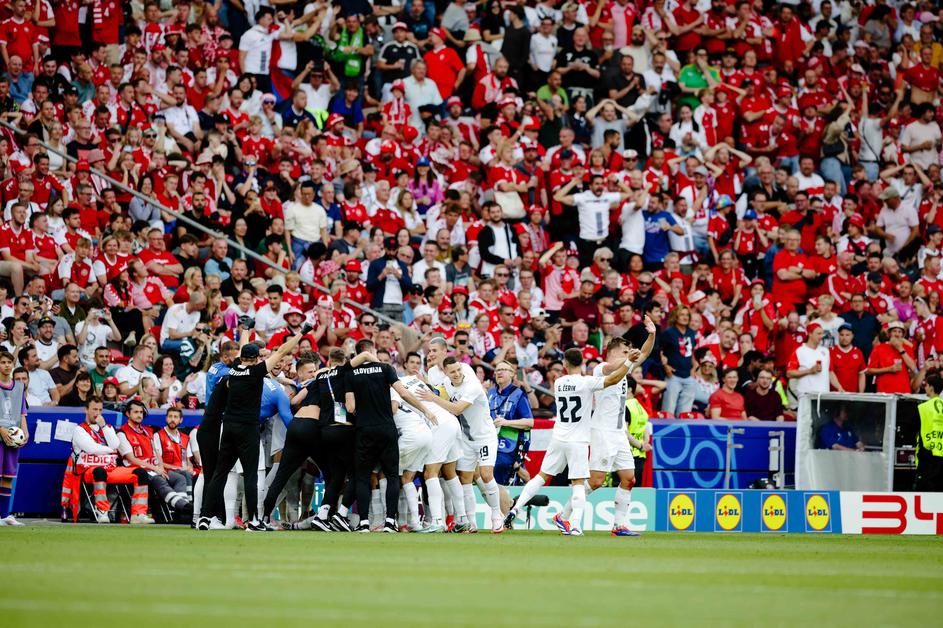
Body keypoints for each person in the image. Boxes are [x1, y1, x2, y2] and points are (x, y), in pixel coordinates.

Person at [502, 346, 634, 536]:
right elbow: (613, 379)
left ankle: (515, 508)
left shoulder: (559, 382)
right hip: (578, 440)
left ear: (564, 363)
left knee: (541, 476)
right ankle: (575, 525)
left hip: (558, 437)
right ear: (582, 363)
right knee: (578, 483)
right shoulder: (587, 382)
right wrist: (628, 362)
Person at [201, 325, 309, 533]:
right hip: (248, 428)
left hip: (228, 427)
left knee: (220, 473)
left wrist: (245, 330)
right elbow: (282, 351)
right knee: (251, 475)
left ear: (242, 357)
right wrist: (301, 333)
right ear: (256, 359)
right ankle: (253, 521)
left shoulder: (234, 369)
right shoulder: (256, 371)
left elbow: (244, 349)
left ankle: (205, 517)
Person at [558, 318, 655, 537]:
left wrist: (652, 334)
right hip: (602, 431)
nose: (629, 354)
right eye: (624, 351)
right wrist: (628, 359)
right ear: (612, 352)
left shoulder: (625, 368)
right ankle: (563, 515)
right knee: (596, 481)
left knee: (629, 478)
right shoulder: (601, 368)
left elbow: (645, 354)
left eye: (629, 351)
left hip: (619, 432)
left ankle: (619, 525)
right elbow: (615, 366)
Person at [345, 338, 435, 533]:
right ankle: (389, 522)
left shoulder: (350, 374)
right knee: (393, 475)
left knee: (363, 477)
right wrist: (426, 411)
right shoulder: (386, 369)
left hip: (364, 429)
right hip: (386, 428)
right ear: (372, 351)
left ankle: (364, 523)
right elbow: (404, 394)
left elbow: (350, 407)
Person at [418, 355, 502, 533]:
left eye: (458, 370)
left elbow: (457, 409)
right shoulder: (446, 384)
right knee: (465, 478)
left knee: (486, 475)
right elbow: (437, 392)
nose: (457, 374)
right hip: (466, 439)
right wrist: (424, 385)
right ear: (446, 373)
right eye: (452, 372)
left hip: (485, 437)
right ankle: (471, 522)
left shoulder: (472, 385)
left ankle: (496, 515)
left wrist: (432, 398)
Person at [67, 397, 153, 524]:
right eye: (94, 409)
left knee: (140, 473)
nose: (97, 413)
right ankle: (102, 510)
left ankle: (138, 513)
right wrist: (109, 450)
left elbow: (115, 444)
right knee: (99, 471)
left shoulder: (107, 427)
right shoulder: (79, 429)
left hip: (111, 468)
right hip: (88, 469)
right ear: (86, 410)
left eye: (100, 410)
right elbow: (91, 449)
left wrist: (103, 426)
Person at [117, 399, 192, 517]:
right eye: (136, 412)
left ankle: (183, 510)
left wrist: (160, 467)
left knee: (179, 478)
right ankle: (183, 507)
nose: (139, 415)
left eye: (141, 412)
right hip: (136, 469)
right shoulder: (122, 432)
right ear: (128, 414)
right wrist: (155, 469)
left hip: (154, 468)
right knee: (159, 480)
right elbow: (131, 459)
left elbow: (156, 453)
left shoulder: (147, 431)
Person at [487, 360, 535, 487]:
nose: (499, 372)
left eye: (503, 370)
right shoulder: (490, 393)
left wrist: (506, 422)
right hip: (489, 440)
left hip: (508, 444)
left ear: (512, 374)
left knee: (500, 466)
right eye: (497, 370)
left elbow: (530, 422)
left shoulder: (518, 394)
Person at [0, 350, 27, 525]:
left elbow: (22, 411)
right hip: (1, 434)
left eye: (9, 362)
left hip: (12, 437)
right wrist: (0, 429)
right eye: (3, 362)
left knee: (8, 476)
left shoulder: (19, 387)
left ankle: (4, 516)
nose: (6, 365)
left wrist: (25, 431)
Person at [915, 374, 943, 491]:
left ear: (931, 388)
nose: (925, 388)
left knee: (927, 488)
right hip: (941, 451)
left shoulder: (923, 408)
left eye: (926, 385)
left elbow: (916, 427)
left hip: (928, 453)